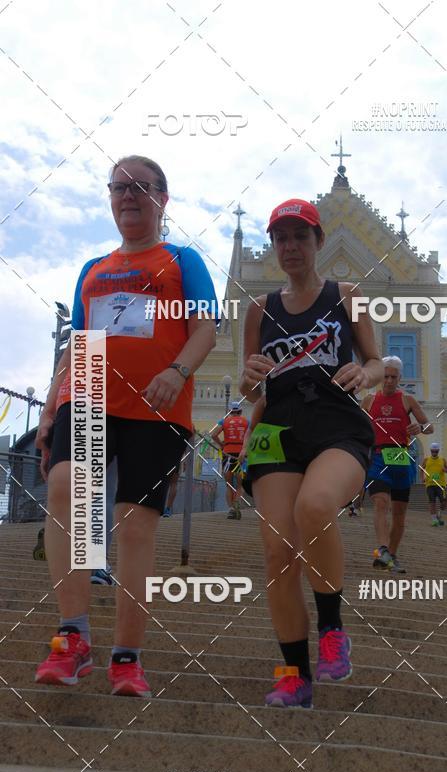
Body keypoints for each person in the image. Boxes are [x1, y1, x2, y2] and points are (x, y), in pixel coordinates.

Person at [34, 155, 218, 697]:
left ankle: (126, 657)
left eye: (140, 187)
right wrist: (48, 410)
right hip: (87, 392)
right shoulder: (92, 268)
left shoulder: (183, 259)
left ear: (163, 198)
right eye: (118, 187)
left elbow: (205, 328)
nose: (127, 196)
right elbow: (74, 345)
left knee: (133, 526)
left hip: (157, 408)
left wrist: (177, 370)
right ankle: (72, 637)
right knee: (66, 489)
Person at [240, 198, 382, 709]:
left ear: (319, 242)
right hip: (277, 429)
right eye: (281, 238)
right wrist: (249, 380)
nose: (290, 247)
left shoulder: (347, 296)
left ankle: (332, 626)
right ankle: (294, 674)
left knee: (316, 506)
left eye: (301, 236)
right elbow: (253, 389)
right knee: (279, 554)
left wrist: (364, 375)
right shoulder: (259, 310)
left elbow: (376, 359)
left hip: (336, 423)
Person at [362, 356, 433, 572]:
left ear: (399, 378)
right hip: (378, 457)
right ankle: (382, 549)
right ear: (380, 377)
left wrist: (420, 428)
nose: (389, 381)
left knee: (399, 514)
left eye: (393, 377)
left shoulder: (407, 400)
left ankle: (391, 555)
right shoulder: (369, 401)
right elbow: (356, 426)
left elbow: (429, 426)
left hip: (401, 458)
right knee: (381, 503)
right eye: (386, 376)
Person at [211, 400, 249, 519]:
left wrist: (222, 444)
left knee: (229, 485)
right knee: (239, 485)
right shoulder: (247, 422)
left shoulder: (224, 421)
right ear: (240, 411)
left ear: (230, 411)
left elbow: (213, 434)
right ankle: (236, 506)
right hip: (241, 455)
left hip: (227, 453)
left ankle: (231, 509)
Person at [423, 442, 447, 525]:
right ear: (431, 451)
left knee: (444, 502)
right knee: (432, 502)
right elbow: (421, 468)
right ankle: (434, 520)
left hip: (441, 485)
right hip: (430, 484)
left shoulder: (443, 460)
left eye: (436, 451)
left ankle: (439, 514)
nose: (434, 453)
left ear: (438, 451)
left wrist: (446, 470)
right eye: (433, 451)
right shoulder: (426, 460)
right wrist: (422, 478)